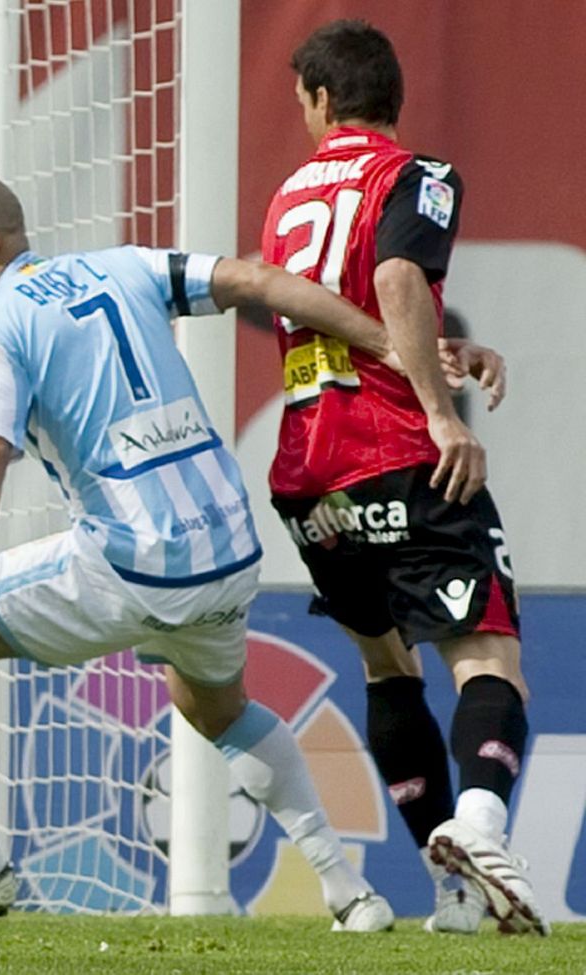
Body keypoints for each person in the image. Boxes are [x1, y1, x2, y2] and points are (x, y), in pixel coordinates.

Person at [0, 172, 400, 930]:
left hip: (135, 560)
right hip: (230, 550)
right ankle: (350, 890)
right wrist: (387, 341)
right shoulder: (125, 265)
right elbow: (258, 279)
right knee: (213, 706)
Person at [262, 20, 544, 935]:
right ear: (394, 99)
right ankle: (483, 828)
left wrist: (437, 354)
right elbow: (393, 275)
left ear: (318, 98)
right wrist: (439, 411)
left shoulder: (287, 197)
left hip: (312, 476)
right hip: (398, 455)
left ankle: (455, 894)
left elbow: (341, 315)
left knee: (387, 667)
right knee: (487, 655)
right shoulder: (414, 174)